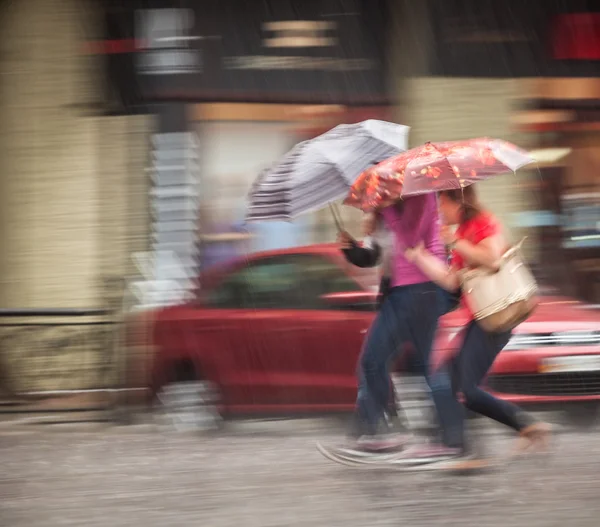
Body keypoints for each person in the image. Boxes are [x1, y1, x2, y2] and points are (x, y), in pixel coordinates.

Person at [405, 186, 551, 468]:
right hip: (483, 317)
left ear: (453, 201)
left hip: (497, 315)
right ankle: (459, 445)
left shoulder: (483, 221)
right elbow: (452, 282)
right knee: (447, 377)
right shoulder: (460, 232)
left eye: (440, 205)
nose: (438, 213)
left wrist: (455, 242)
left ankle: (511, 431)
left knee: (467, 390)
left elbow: (493, 258)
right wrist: (420, 257)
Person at [344, 195, 464, 459]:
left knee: (379, 360)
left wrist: (386, 211)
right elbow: (379, 252)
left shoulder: (421, 197)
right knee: (417, 365)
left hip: (418, 292)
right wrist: (361, 240)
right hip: (406, 292)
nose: (381, 191)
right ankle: (448, 437)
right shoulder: (401, 203)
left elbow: (410, 240)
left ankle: (445, 438)